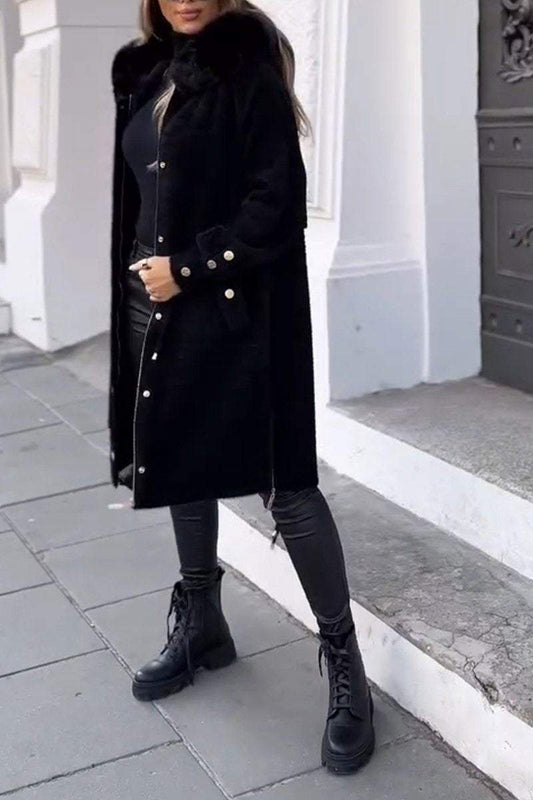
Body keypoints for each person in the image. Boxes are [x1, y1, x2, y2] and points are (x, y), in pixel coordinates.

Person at [108, 0, 375, 775]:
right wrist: (139, 281)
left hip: (238, 315)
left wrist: (188, 267)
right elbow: (139, 194)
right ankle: (202, 622)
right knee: (177, 460)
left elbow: (276, 205)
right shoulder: (144, 71)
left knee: (285, 485)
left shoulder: (246, 63)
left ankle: (346, 665)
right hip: (154, 306)